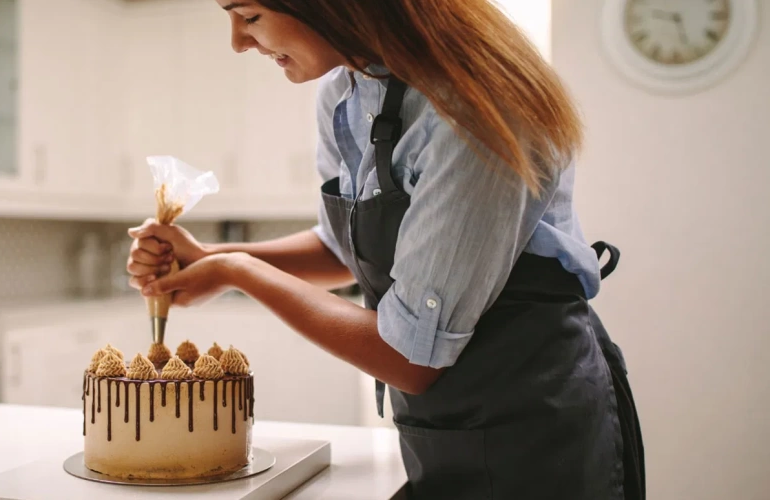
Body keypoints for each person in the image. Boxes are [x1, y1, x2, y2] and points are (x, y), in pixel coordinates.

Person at [127, 1, 645, 498]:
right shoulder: (345, 91)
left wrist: (239, 270)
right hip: (438, 427)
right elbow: (342, 251)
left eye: (249, 16)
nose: (239, 42)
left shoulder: (478, 108)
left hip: (537, 431)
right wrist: (206, 258)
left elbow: (409, 358)